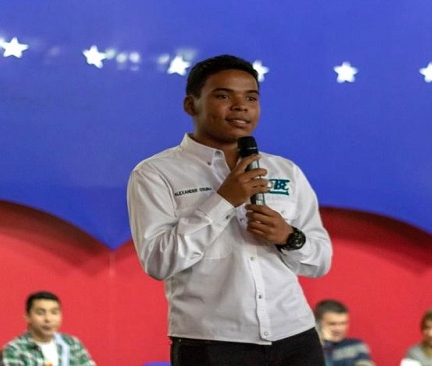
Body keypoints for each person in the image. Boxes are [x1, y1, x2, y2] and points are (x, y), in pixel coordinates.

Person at [127, 54, 333, 366]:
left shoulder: (285, 171)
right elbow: (158, 261)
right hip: (212, 343)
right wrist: (224, 200)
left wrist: (289, 237)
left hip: (296, 337)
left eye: (251, 97)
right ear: (190, 105)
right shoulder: (156, 173)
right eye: (224, 96)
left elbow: (320, 260)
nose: (241, 106)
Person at [0, 291, 96, 366]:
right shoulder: (14, 350)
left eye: (54, 312)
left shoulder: (72, 344)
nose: (48, 318)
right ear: (27, 316)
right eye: (40, 313)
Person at [314, 299, 375, 366]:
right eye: (332, 324)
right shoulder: (312, 348)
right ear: (318, 324)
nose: (339, 329)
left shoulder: (356, 346)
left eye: (343, 323)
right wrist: (326, 345)